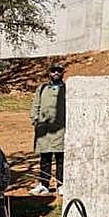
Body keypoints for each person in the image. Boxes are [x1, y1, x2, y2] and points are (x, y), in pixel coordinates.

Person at [29, 63, 66, 195]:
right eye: (53, 71)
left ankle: (61, 184)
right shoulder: (42, 88)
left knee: (60, 158)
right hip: (44, 129)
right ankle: (44, 184)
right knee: (45, 158)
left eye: (59, 71)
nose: (56, 73)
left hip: (61, 129)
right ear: (49, 73)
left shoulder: (66, 88)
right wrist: (35, 119)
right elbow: (36, 104)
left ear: (62, 73)